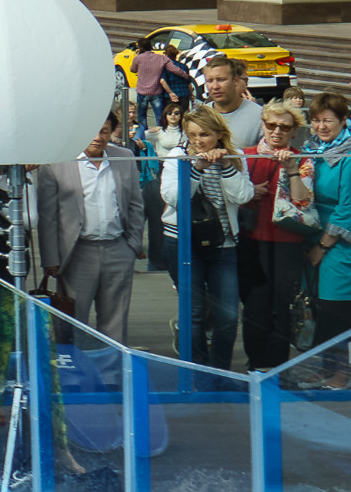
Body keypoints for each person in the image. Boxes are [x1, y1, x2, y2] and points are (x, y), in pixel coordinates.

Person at [33, 113, 148, 346]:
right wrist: (51, 260)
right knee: (74, 321)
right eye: (93, 131)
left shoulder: (124, 157)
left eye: (105, 131)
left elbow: (136, 204)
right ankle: (76, 376)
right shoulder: (56, 163)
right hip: (77, 252)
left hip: (118, 248)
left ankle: (113, 377)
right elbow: (48, 217)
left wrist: (133, 244)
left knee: (115, 320)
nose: (98, 137)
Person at [159, 106, 253, 371]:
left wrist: (225, 166)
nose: (198, 141)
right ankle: (196, 370)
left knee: (228, 314)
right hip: (183, 243)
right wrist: (197, 168)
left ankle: (221, 371)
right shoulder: (177, 156)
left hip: (223, 244)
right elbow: (175, 198)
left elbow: (243, 196)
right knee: (194, 312)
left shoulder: (235, 157)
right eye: (193, 135)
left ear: (219, 135)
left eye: (205, 135)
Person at [298, 91, 351, 381]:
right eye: (316, 121)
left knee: (335, 309)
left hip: (341, 245)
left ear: (344, 120)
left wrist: (321, 247)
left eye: (328, 121)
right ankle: (325, 370)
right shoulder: (316, 149)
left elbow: (350, 210)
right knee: (319, 306)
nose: (321, 127)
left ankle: (340, 374)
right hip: (318, 236)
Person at [239, 101, 314, 374]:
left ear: (294, 131)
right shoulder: (246, 156)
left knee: (281, 306)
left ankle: (278, 366)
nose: (277, 131)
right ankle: (255, 363)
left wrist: (292, 169)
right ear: (263, 125)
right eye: (271, 125)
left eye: (284, 127)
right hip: (251, 240)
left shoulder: (302, 159)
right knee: (255, 305)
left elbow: (303, 202)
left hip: (287, 243)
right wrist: (249, 192)